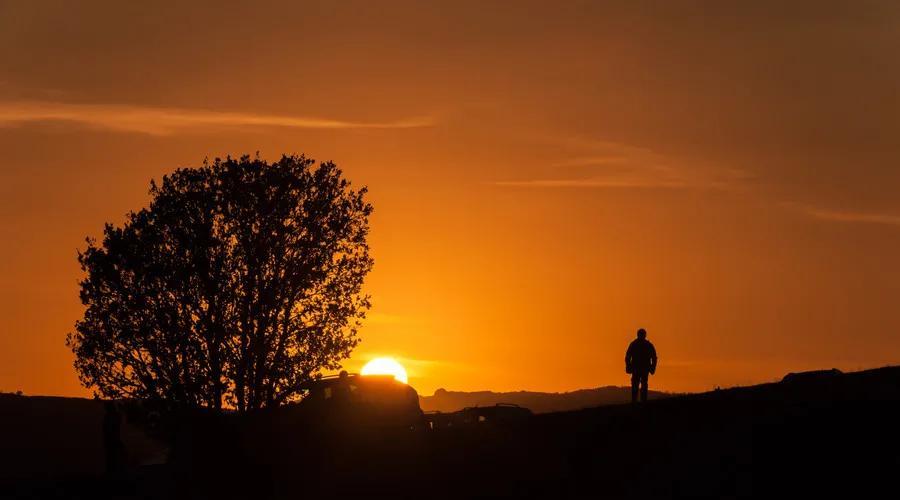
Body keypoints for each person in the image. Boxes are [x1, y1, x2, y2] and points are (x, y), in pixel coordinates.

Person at [625, 328, 657, 403]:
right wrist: (652, 367)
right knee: (639, 385)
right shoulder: (647, 345)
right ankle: (638, 401)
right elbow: (628, 356)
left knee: (640, 385)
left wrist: (653, 367)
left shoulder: (634, 344)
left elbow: (628, 356)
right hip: (640, 368)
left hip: (641, 368)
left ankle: (639, 401)